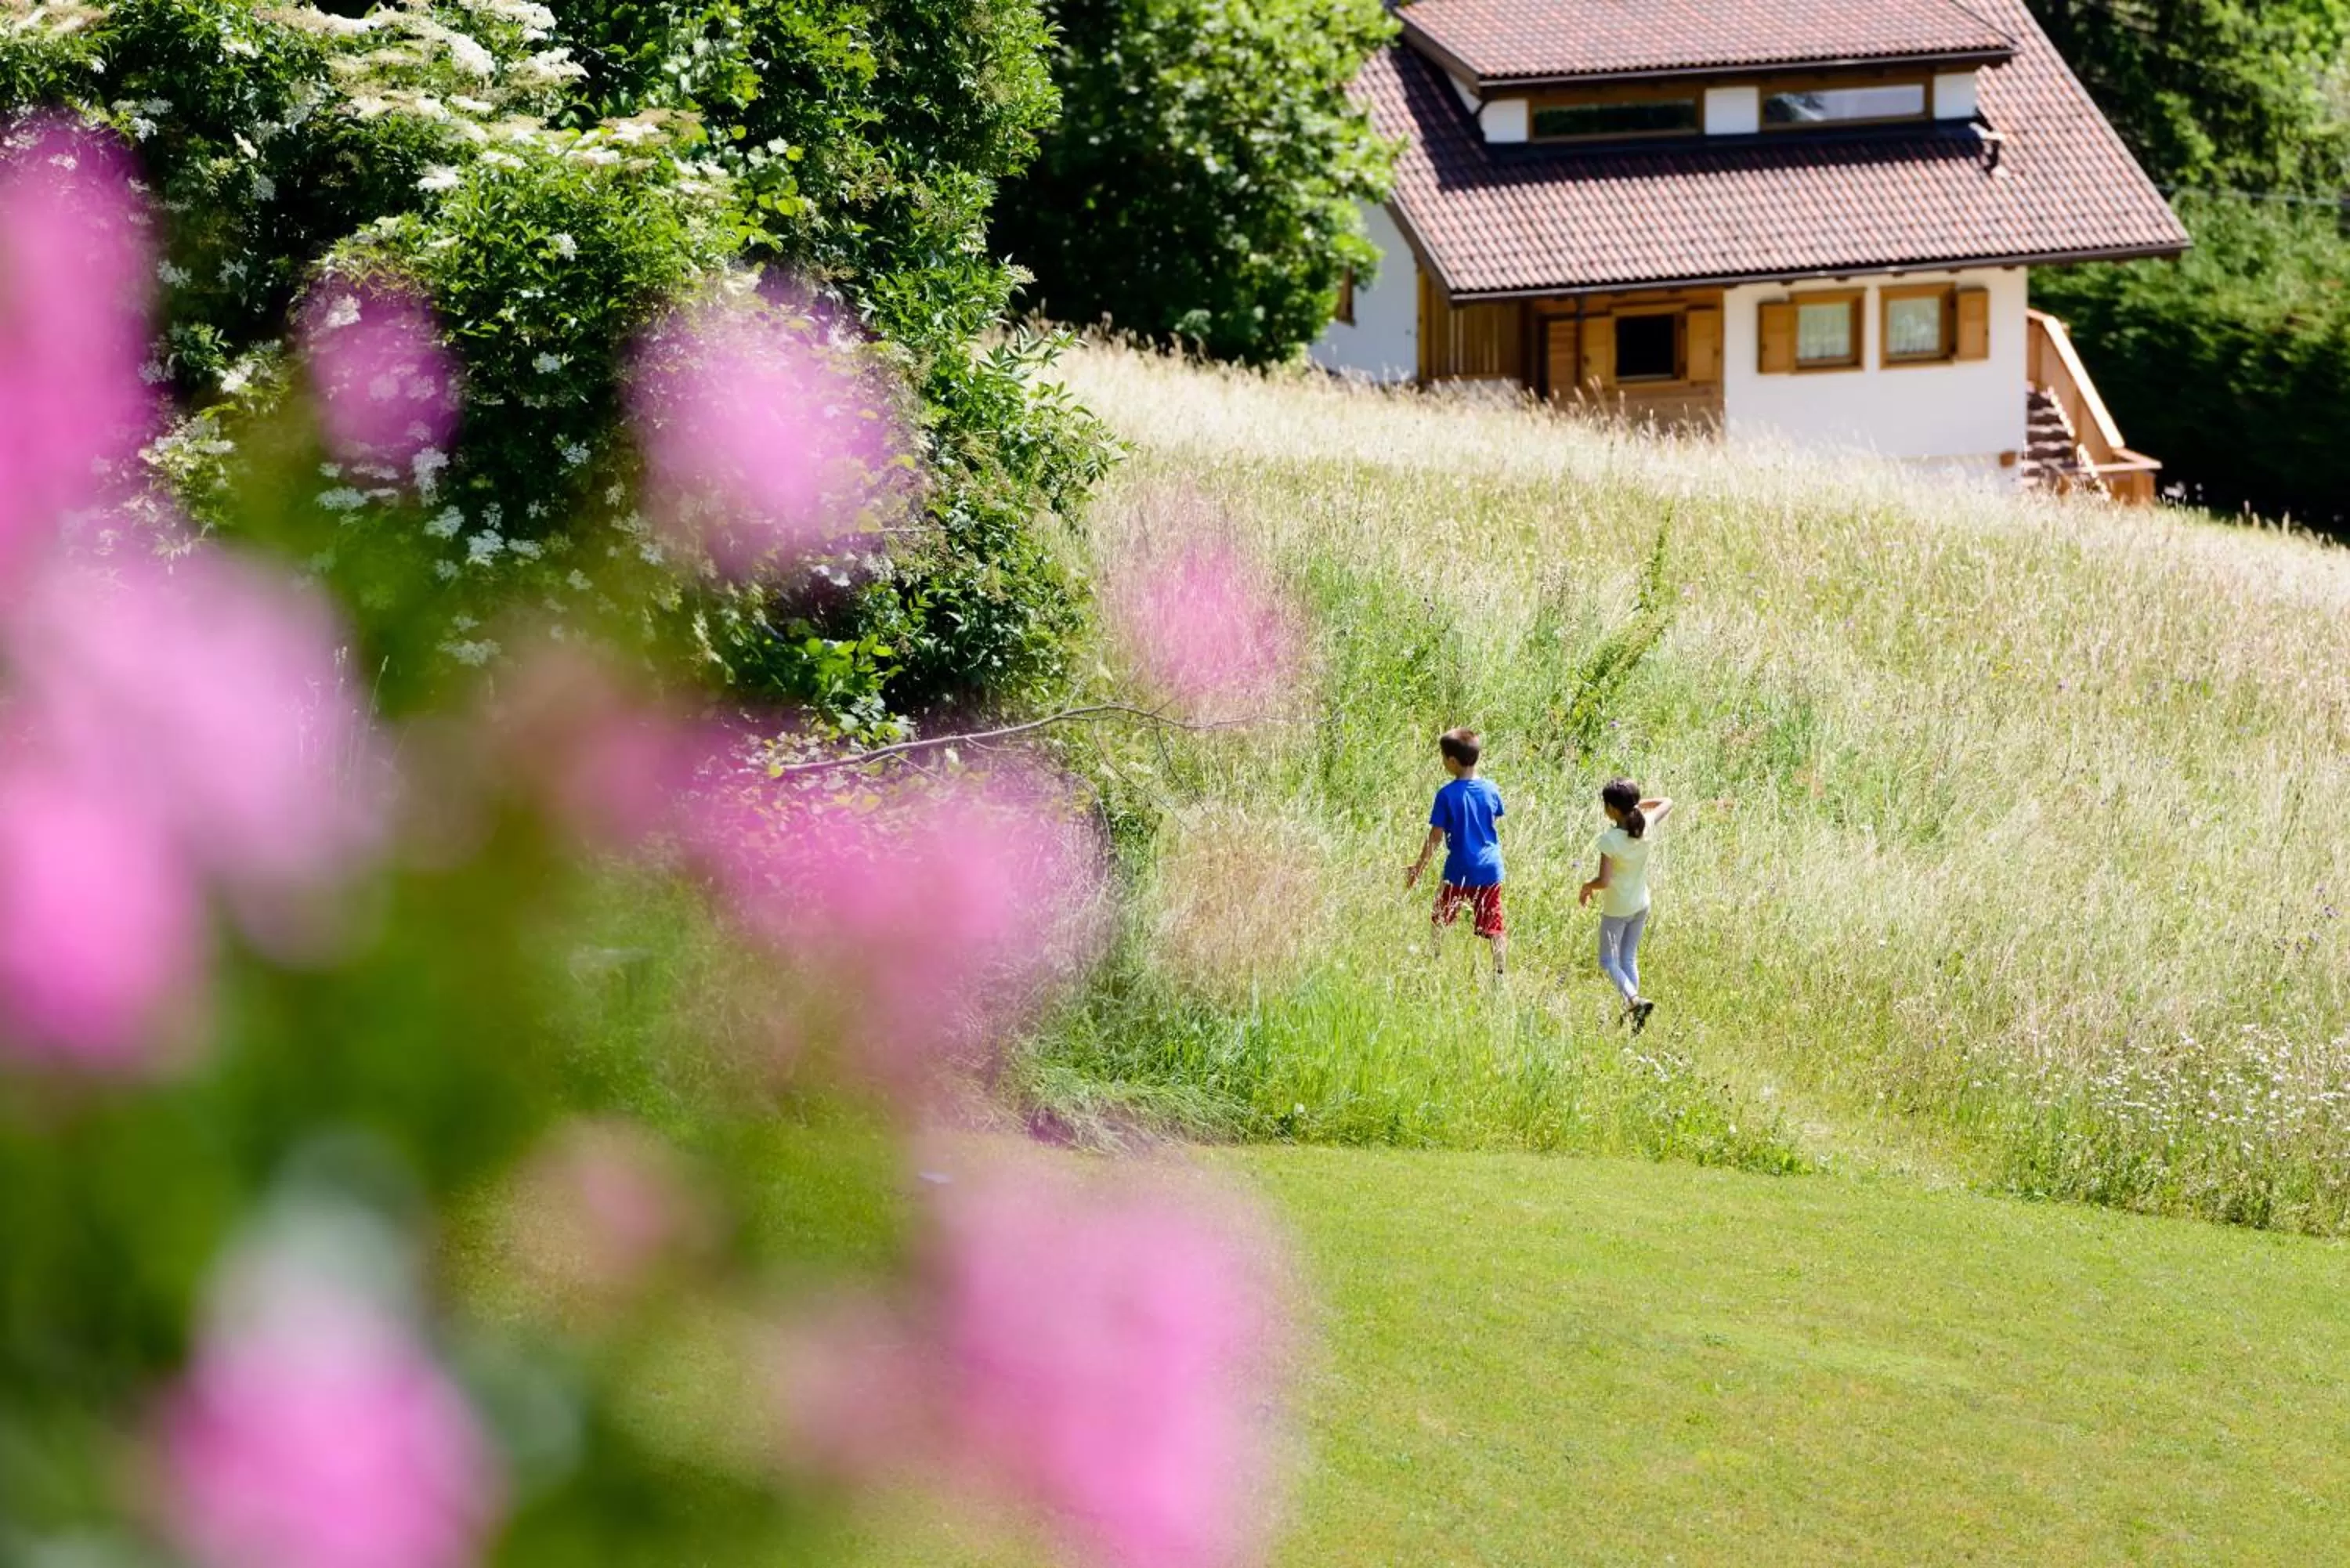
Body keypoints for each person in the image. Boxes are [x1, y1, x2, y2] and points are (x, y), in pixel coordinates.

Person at [1405, 728, 1506, 976]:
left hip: (1459, 868)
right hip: (1491, 868)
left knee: (1441, 917)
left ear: (1452, 761)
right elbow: (1494, 819)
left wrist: (1418, 869)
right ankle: (1500, 974)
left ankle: (1435, 961)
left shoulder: (1446, 795)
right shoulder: (1492, 789)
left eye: (1442, 757)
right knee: (1495, 926)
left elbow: (1436, 837)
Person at [1578, 778, 1672, 1031]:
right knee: (1628, 957)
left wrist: (1587, 886)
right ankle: (1633, 1013)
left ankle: (1634, 1000)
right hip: (1641, 903)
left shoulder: (1610, 841)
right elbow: (1667, 801)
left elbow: (1604, 880)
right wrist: (1637, 806)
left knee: (1608, 961)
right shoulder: (1647, 825)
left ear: (1611, 809)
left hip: (1618, 908)